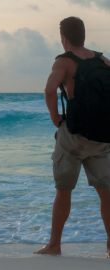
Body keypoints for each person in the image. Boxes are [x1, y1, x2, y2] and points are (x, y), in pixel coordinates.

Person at [33, 16, 110, 257]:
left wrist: (55, 118)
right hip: (102, 136)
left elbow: (49, 90)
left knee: (64, 190)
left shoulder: (64, 62)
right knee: (106, 192)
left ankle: (54, 245)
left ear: (64, 38)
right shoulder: (103, 60)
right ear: (83, 36)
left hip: (74, 136)